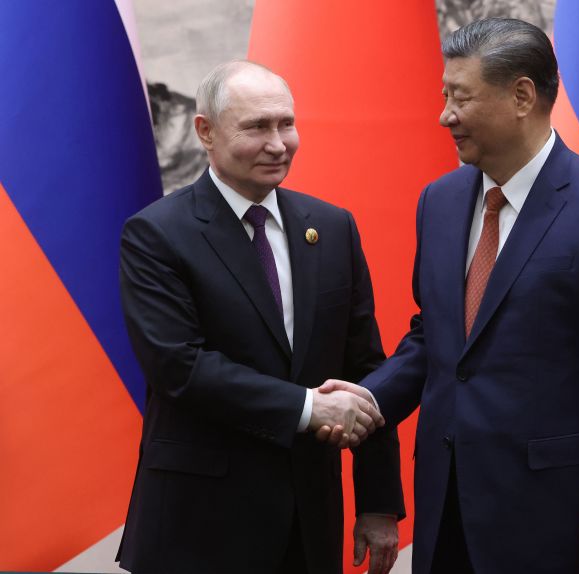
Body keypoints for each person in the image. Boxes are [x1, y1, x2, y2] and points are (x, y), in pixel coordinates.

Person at [319, 18, 579, 574]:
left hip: (557, 515)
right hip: (448, 506)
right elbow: (436, 337)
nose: (445, 115)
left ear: (522, 96)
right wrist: (368, 399)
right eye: (444, 95)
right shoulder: (439, 201)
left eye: (461, 97)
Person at [116, 60, 404, 574]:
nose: (278, 144)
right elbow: (179, 367)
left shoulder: (332, 227)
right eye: (256, 127)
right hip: (200, 526)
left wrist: (378, 501)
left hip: (309, 524)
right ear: (205, 131)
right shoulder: (157, 234)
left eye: (286, 124)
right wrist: (308, 407)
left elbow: (364, 369)